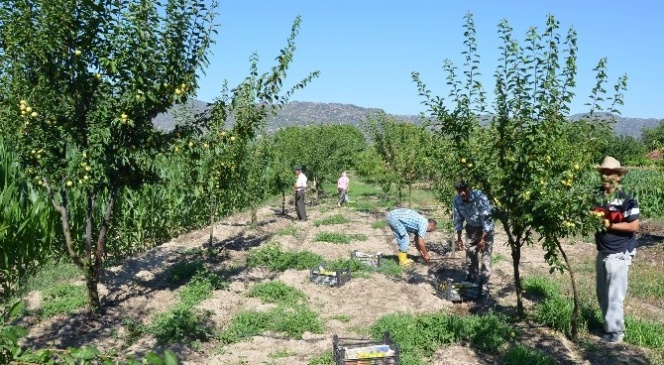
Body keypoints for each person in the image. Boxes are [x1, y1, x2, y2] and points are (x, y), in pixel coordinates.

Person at [592, 156, 639, 344]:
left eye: (610, 173)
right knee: (602, 293)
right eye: (604, 173)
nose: (606, 177)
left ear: (618, 176)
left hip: (619, 252)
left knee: (614, 295)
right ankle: (608, 326)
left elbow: (633, 226)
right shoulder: (597, 196)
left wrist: (608, 224)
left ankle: (615, 333)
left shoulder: (627, 196)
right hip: (603, 250)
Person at [453, 180, 494, 298]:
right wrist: (459, 238)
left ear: (468, 188)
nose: (462, 193)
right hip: (471, 229)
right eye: (459, 191)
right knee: (470, 256)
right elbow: (458, 220)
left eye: (464, 190)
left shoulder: (480, 197)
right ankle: (473, 284)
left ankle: (484, 287)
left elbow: (488, 220)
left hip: (486, 230)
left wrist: (483, 239)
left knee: (485, 258)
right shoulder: (456, 200)